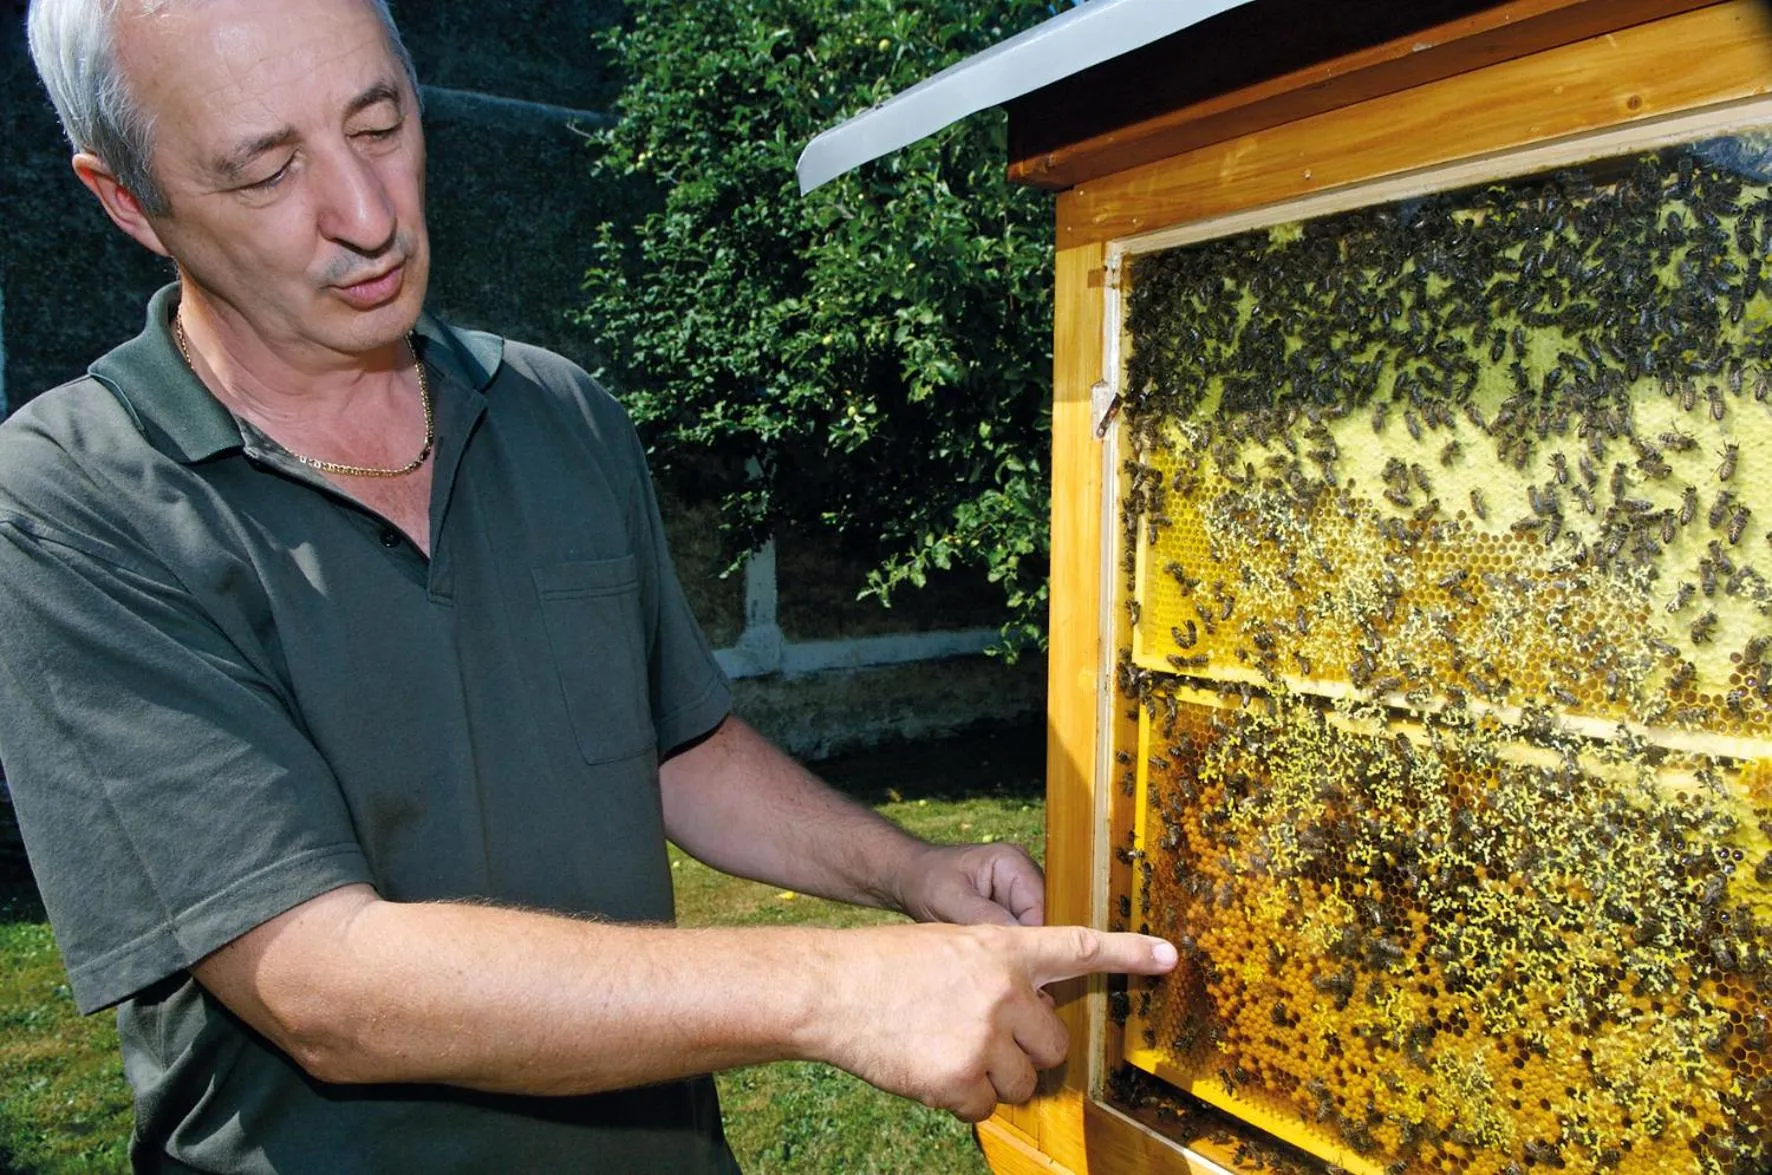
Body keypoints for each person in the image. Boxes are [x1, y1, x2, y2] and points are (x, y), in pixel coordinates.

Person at [0, 0, 1178, 1170]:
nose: (368, 217)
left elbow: (677, 747)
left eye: (379, 123)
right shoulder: (66, 503)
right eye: (265, 173)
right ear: (125, 200)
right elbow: (319, 983)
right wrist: (831, 987)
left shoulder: (556, 411)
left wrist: (907, 871)